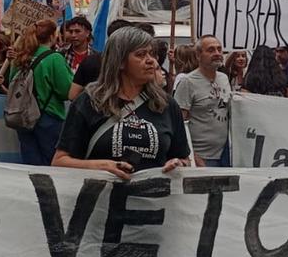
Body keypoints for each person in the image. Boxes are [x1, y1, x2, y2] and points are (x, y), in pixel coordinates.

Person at [53, 26, 191, 178]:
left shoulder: (166, 104)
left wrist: (178, 164)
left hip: (154, 200)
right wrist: (103, 166)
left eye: (152, 54)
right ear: (119, 62)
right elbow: (59, 162)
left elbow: (184, 159)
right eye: (141, 54)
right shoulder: (89, 102)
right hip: (101, 199)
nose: (151, 61)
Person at [8, 19, 73, 166]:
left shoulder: (20, 58)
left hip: (22, 117)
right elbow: (66, 91)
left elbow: (11, 84)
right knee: (51, 163)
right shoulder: (54, 58)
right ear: (52, 36)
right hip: (48, 117)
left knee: (30, 163)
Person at [174, 36, 232, 167]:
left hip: (227, 154)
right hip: (203, 158)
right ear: (198, 55)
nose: (217, 53)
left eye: (219, 49)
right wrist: (192, 155)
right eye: (211, 50)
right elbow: (178, 124)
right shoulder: (187, 82)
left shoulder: (224, 78)